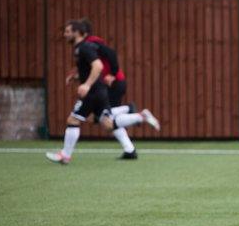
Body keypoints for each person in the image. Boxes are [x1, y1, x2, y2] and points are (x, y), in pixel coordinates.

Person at [47, 20, 160, 164]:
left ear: (78, 32)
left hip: (93, 92)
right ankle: (140, 117)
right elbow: (91, 68)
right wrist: (77, 77)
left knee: (73, 120)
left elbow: (98, 66)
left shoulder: (85, 47)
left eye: (68, 31)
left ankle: (65, 155)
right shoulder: (81, 48)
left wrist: (87, 85)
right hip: (100, 90)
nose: (65, 34)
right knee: (108, 124)